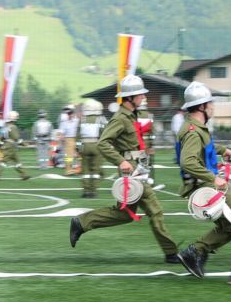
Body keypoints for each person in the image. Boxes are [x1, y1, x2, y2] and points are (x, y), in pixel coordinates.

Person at [68, 75, 181, 265]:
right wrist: (121, 161)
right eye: (140, 94)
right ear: (130, 97)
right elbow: (103, 143)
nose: (143, 97)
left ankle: (81, 222)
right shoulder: (120, 118)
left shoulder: (132, 115)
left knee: (124, 214)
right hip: (132, 170)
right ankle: (171, 253)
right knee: (155, 210)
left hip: (139, 167)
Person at [174, 82, 231, 286]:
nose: (213, 107)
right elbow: (188, 162)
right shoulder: (192, 131)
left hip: (204, 185)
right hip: (205, 187)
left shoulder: (195, 127)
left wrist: (223, 150)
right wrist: (213, 178)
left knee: (229, 225)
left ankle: (194, 253)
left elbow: (205, 147)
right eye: (210, 103)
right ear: (202, 107)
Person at [77, 99, 107, 198]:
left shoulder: (82, 120)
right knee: (95, 170)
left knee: (85, 170)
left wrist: (78, 148)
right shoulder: (100, 119)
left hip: (84, 146)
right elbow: (104, 134)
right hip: (96, 146)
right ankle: (93, 191)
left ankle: (86, 191)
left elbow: (78, 135)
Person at [0, 110, 31, 181]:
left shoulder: (4, 126)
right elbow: (16, 138)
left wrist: (0, 146)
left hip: (6, 146)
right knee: (4, 161)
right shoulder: (13, 127)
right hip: (11, 147)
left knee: (17, 162)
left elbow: (1, 138)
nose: (17, 119)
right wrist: (24, 144)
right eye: (16, 117)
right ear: (13, 118)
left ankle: (24, 175)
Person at [59, 104, 79, 174]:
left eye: (70, 113)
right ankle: (68, 170)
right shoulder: (64, 122)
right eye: (68, 113)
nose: (69, 115)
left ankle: (77, 168)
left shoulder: (76, 120)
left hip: (75, 138)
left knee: (77, 154)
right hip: (68, 139)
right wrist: (63, 139)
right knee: (69, 156)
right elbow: (61, 133)